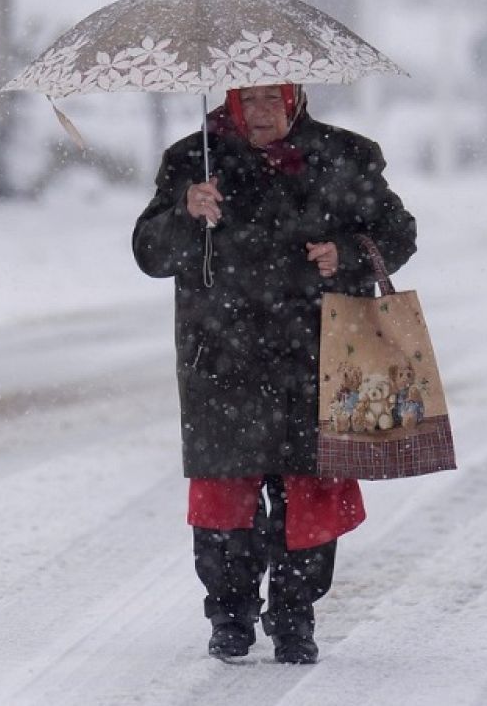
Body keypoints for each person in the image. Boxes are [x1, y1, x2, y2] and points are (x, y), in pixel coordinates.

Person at [132, 82, 418, 664]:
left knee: (309, 489)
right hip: (221, 358)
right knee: (224, 494)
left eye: (274, 100)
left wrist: (349, 253)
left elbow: (399, 232)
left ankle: (294, 616)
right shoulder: (194, 159)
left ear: (296, 99)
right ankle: (229, 614)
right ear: (230, 104)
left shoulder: (346, 156)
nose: (263, 113)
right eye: (249, 101)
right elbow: (149, 253)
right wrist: (187, 213)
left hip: (317, 353)